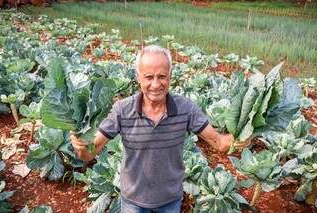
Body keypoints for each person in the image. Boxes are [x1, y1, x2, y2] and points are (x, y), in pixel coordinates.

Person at [70, 45, 248, 213]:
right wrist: (81, 147)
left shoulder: (185, 109)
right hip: (133, 201)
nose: (156, 84)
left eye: (162, 76)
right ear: (138, 77)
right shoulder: (122, 110)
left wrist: (242, 134)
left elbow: (218, 142)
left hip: (170, 200)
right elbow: (90, 153)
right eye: (149, 77)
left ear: (170, 76)